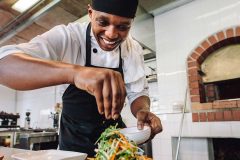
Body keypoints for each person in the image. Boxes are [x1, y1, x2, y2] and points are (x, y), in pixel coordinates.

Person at [0, 0, 162, 157]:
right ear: (90, 13)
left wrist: (142, 110)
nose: (111, 34)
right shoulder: (68, 37)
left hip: (115, 144)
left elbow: (137, 92)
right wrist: (75, 73)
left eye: (122, 27)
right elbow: (4, 64)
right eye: (103, 22)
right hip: (73, 144)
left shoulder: (132, 48)